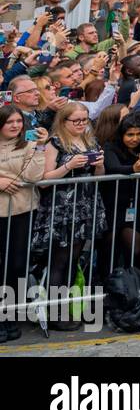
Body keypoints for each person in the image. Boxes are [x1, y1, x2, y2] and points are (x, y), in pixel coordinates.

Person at [36, 102, 108, 331]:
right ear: (63, 121)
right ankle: (55, 312)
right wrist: (67, 166)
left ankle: (67, 306)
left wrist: (99, 165)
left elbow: (99, 176)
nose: (80, 124)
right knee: (59, 260)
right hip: (61, 208)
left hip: (85, 205)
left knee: (73, 260)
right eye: (75, 120)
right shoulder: (54, 143)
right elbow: (45, 179)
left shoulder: (90, 140)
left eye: (84, 120)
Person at [0, 106, 48, 343]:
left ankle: (9, 315)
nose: (16, 125)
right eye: (10, 122)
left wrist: (40, 147)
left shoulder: (28, 144)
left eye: (19, 121)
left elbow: (34, 175)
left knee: (17, 265)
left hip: (22, 210)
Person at [100, 111, 140, 276]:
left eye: (139, 134)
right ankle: (107, 285)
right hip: (114, 206)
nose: (135, 138)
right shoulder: (110, 147)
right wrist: (133, 169)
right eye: (130, 134)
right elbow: (113, 168)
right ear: (122, 133)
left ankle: (136, 284)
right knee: (109, 248)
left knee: (135, 248)